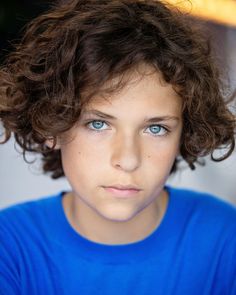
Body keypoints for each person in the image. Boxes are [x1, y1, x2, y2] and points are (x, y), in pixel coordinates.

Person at [0, 0, 236, 294]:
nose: (127, 160)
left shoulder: (225, 239)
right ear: (52, 124)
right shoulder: (8, 247)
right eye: (98, 124)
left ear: (185, 135)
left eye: (155, 128)